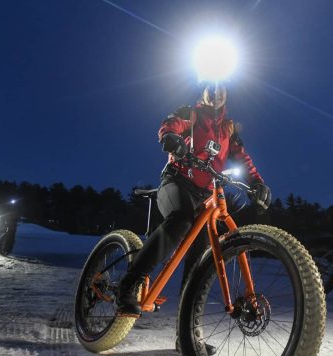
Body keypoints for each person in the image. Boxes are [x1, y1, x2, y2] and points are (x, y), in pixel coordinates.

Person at [115, 82, 271, 320]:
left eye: (222, 90)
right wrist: (170, 137)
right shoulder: (191, 113)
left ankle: (187, 332)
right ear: (203, 92)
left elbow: (243, 158)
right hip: (176, 182)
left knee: (199, 259)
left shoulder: (229, 129)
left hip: (204, 195)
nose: (216, 94)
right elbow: (171, 125)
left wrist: (258, 183)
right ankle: (128, 284)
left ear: (227, 95)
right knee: (182, 219)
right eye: (211, 89)